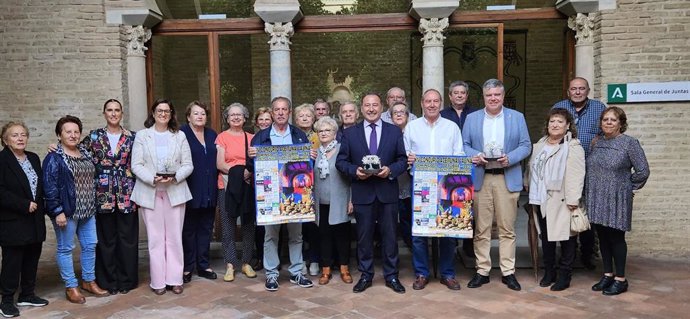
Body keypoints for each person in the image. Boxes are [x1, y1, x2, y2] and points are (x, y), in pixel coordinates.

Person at [462, 79, 531, 291]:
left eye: (497, 95)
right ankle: (482, 270)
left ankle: (508, 271)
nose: (493, 98)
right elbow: (463, 145)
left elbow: (526, 145)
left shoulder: (516, 117)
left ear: (502, 96)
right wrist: (475, 156)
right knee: (481, 229)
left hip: (506, 176)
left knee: (507, 228)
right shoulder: (472, 119)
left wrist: (510, 158)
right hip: (481, 178)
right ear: (483, 97)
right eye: (489, 95)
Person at [336, 92, 408, 294]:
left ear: (381, 107)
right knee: (363, 237)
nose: (371, 109)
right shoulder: (350, 134)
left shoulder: (394, 132)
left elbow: (402, 159)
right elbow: (341, 162)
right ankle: (366, 275)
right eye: (367, 105)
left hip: (387, 192)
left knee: (390, 236)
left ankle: (391, 276)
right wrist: (355, 172)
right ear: (361, 109)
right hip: (363, 192)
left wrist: (391, 170)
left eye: (375, 105)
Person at [250, 96, 313, 292]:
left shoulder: (299, 135)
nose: (280, 112)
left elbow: (307, 163)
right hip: (271, 192)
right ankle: (271, 274)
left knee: (296, 234)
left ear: (289, 112)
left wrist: (310, 156)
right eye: (276, 109)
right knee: (271, 235)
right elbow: (251, 166)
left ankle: (297, 272)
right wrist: (250, 156)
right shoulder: (260, 137)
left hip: (295, 190)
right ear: (271, 112)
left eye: (284, 109)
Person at [131, 99, 193, 295]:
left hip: (175, 191)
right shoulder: (142, 136)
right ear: (153, 112)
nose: (163, 114)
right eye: (160, 110)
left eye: (167, 110)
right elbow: (136, 164)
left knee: (174, 237)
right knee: (155, 239)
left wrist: (175, 178)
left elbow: (188, 164)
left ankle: (175, 279)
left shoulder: (180, 136)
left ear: (171, 113)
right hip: (150, 193)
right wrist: (152, 178)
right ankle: (158, 281)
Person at [43, 115, 108, 304]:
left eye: (76, 132)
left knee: (90, 245)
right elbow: (49, 186)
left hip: (88, 210)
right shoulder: (54, 157)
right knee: (65, 248)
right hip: (67, 212)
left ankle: (88, 281)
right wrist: (57, 211)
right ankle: (71, 286)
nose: (72, 135)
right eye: (68, 132)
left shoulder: (85, 153)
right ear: (59, 134)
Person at [405, 89, 464, 291]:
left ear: (440, 103)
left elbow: (459, 153)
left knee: (448, 230)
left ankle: (447, 274)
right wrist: (408, 158)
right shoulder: (411, 127)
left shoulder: (452, 127)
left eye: (435, 101)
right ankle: (422, 273)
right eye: (428, 101)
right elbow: (405, 153)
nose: (431, 104)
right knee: (419, 232)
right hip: (421, 186)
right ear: (421, 103)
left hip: (446, 186)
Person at [587, 106, 649, 296]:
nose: (608, 122)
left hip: (617, 198)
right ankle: (607, 274)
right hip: (596, 196)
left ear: (621, 123)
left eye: (613, 120)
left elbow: (643, 171)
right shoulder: (596, 142)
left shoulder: (630, 143)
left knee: (616, 238)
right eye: (605, 119)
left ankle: (620, 279)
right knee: (603, 237)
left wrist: (628, 188)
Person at [80, 99, 138, 296]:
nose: (113, 113)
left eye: (117, 110)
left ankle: (127, 280)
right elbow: (76, 152)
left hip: (127, 193)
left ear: (122, 113)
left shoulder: (132, 137)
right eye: (109, 110)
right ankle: (108, 281)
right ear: (104, 113)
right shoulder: (94, 136)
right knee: (106, 240)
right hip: (102, 194)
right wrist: (56, 146)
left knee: (127, 239)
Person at [525, 109, 585, 291]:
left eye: (560, 121)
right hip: (541, 199)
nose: (555, 125)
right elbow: (531, 168)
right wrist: (527, 183)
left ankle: (565, 274)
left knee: (567, 239)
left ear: (568, 125)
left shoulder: (573, 147)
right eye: (552, 121)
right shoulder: (540, 145)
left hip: (563, 199)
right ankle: (549, 271)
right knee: (547, 238)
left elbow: (577, 174)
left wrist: (574, 199)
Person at [553, 77, 607, 270]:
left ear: (588, 90)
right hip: (564, 170)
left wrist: (598, 141)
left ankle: (587, 253)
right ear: (568, 91)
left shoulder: (599, 108)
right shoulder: (559, 106)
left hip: (591, 167)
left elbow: (607, 130)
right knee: (565, 210)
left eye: (581, 89)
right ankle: (568, 253)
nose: (577, 92)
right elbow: (551, 131)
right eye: (574, 89)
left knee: (587, 210)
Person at [0, 122, 48, 317]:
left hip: (34, 219)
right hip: (13, 220)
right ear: (5, 140)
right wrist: (23, 204)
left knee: (31, 257)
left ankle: (27, 294)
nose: (20, 138)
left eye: (23, 135)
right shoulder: (2, 161)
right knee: (13, 262)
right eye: (14, 135)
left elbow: (40, 187)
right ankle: (6, 300)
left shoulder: (34, 158)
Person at [216, 103, 257, 282]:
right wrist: (239, 174)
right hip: (226, 185)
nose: (236, 117)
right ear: (227, 118)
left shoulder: (252, 137)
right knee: (228, 224)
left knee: (248, 224)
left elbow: (256, 162)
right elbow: (220, 164)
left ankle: (246, 262)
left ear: (245, 117)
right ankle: (230, 264)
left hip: (248, 184)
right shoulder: (221, 137)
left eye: (239, 114)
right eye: (232, 115)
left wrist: (247, 173)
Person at [180, 101, 218, 283]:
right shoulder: (181, 134)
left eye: (203, 113)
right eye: (196, 113)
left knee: (205, 228)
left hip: (209, 188)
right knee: (188, 229)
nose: (200, 116)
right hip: (189, 187)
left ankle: (203, 265)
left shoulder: (212, 134)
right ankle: (188, 266)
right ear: (188, 116)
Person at [313, 117, 353, 285]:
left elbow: (351, 178)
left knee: (342, 237)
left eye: (327, 130)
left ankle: (344, 269)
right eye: (321, 131)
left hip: (341, 200)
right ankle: (326, 270)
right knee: (324, 236)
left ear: (335, 133)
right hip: (320, 201)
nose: (323, 133)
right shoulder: (315, 153)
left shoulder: (342, 150)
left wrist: (352, 200)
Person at [441, 81, 479, 258]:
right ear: (450, 96)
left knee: (470, 206)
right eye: (455, 92)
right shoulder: (442, 115)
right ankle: (451, 245)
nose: (459, 95)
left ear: (467, 95)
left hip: (473, 165)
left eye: (462, 92)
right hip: (449, 168)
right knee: (452, 204)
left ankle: (469, 248)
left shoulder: (476, 114)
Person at [293, 103, 321, 276]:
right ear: (295, 119)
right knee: (299, 227)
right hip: (297, 187)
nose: (304, 118)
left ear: (313, 118)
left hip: (316, 185)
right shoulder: (291, 136)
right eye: (301, 116)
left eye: (308, 115)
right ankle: (301, 259)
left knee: (314, 226)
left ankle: (315, 259)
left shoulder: (319, 137)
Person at [389, 101, 413, 250]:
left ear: (407, 116)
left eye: (402, 112)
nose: (398, 114)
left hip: (410, 180)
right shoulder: (387, 133)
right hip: (391, 180)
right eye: (395, 112)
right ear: (391, 117)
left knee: (408, 215)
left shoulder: (413, 132)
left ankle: (411, 244)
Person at [252, 106, 272, 270]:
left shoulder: (276, 137)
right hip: (260, 186)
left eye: (267, 119)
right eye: (261, 119)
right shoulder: (255, 139)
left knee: (275, 223)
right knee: (260, 224)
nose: (264, 122)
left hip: (275, 185)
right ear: (256, 122)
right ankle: (260, 257)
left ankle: (275, 260)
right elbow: (249, 164)